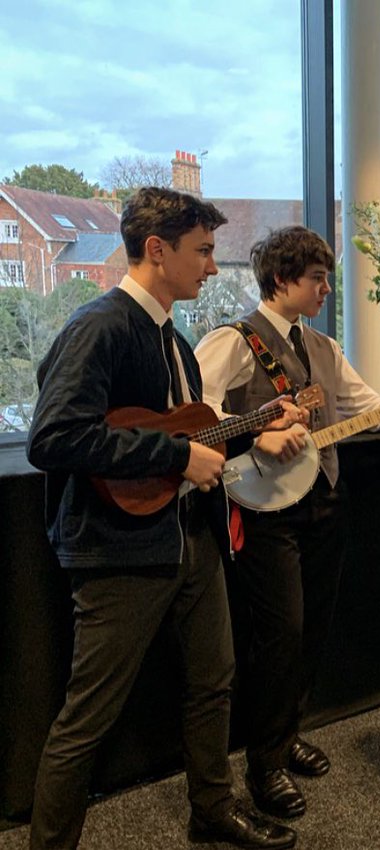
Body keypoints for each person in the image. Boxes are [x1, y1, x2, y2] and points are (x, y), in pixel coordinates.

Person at [25, 187, 301, 850]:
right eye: (203, 251)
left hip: (189, 540)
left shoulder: (173, 339)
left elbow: (194, 439)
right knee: (86, 720)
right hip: (120, 552)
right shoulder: (99, 326)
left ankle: (211, 808)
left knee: (215, 682)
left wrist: (260, 425)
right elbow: (54, 437)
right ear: (157, 249)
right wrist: (177, 457)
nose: (211, 266)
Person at [194, 225, 380, 820]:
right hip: (264, 512)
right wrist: (258, 430)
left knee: (312, 629)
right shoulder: (231, 340)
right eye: (317, 279)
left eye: (326, 279)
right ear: (282, 279)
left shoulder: (323, 347)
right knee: (280, 633)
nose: (325, 290)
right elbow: (196, 410)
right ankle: (262, 764)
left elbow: (368, 408)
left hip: (324, 500)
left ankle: (286, 736)